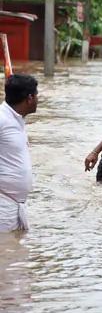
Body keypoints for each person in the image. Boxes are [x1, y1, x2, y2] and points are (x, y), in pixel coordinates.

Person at [0, 74, 38, 232]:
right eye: (36, 95)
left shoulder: (17, 119)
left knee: (14, 252)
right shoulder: (2, 119)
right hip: (2, 203)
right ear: (29, 98)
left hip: (17, 204)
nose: (38, 100)